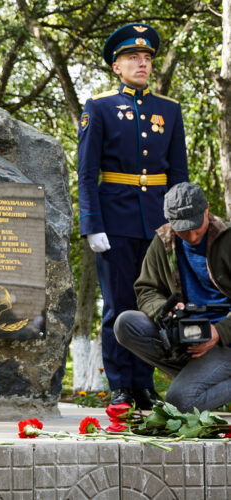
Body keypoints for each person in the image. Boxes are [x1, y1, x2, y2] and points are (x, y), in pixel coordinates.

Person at [77, 23, 189, 409]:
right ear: (116, 67)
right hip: (116, 220)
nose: (141, 63)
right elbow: (87, 173)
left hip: (159, 224)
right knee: (119, 305)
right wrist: (91, 223)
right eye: (132, 58)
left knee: (156, 303)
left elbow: (178, 174)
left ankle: (145, 385)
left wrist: (180, 223)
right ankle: (121, 386)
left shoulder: (169, 110)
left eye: (146, 58)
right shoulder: (99, 107)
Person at [114, 183, 231, 411]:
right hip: (183, 336)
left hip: (225, 341)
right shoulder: (162, 241)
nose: (192, 235)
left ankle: (200, 380)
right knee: (125, 323)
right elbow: (146, 290)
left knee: (180, 402)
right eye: (183, 229)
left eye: (196, 226)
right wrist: (164, 310)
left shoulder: (227, 239)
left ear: (206, 209)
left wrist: (220, 332)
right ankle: (197, 376)